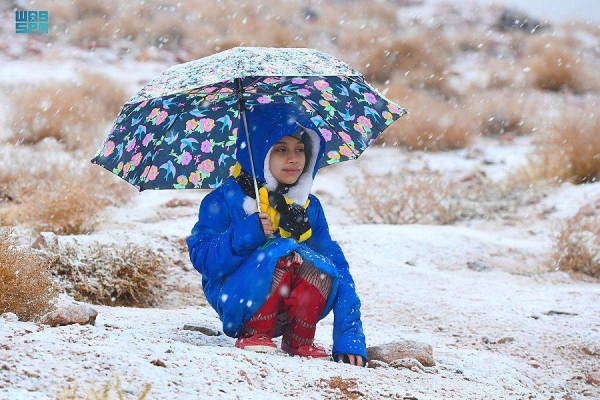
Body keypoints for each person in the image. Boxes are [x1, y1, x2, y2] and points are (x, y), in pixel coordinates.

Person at [187, 103, 366, 366]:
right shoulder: (225, 199)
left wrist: (349, 338)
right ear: (258, 153)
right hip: (237, 298)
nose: (293, 159)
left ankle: (299, 338)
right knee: (279, 252)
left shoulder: (307, 206)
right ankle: (255, 332)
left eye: (300, 149)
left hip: (289, 301)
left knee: (323, 266)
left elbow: (339, 268)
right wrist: (246, 233)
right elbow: (203, 260)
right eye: (281, 150)